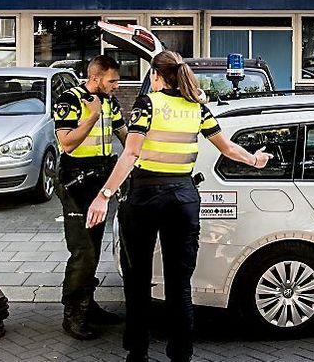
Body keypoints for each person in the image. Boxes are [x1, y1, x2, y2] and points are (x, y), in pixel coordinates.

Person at [87, 51, 272, 362]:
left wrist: (104, 195)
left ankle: (138, 352)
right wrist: (256, 160)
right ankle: (181, 354)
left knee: (138, 280)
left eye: (151, 75)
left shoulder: (148, 103)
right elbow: (226, 148)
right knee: (179, 284)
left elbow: (131, 154)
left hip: (145, 196)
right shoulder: (196, 108)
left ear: (157, 76)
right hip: (183, 198)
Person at [53, 55, 128, 340]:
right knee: (83, 251)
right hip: (74, 184)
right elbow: (66, 142)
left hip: (98, 184)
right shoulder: (69, 99)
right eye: (113, 80)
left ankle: (88, 305)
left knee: (94, 248)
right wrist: (93, 115)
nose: (117, 85)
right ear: (95, 78)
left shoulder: (110, 102)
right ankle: (72, 314)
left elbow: (125, 135)